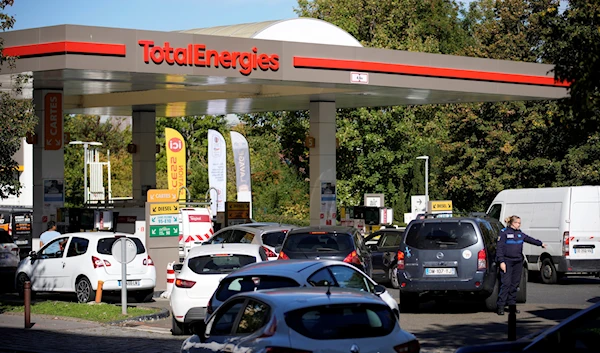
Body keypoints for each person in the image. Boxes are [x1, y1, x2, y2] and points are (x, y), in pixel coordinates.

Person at [496, 215, 546, 315]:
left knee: (514, 285)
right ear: (512, 223)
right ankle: (500, 306)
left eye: (520, 223)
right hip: (507, 262)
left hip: (518, 262)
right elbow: (500, 248)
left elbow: (529, 239)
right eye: (517, 223)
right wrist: (501, 261)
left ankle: (512, 306)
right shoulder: (504, 232)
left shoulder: (519, 233)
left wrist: (540, 243)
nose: (519, 224)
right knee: (506, 284)